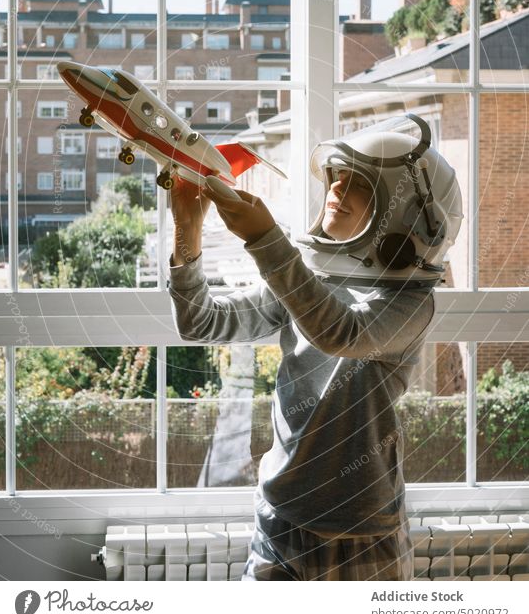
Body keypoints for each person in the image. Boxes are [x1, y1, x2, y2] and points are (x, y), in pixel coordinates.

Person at [168, 113, 463, 581]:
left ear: (404, 210)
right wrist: (188, 231)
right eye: (336, 176)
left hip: (364, 530)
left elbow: (341, 333)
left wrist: (266, 239)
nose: (336, 189)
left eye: (358, 183)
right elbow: (200, 321)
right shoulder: (307, 278)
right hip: (280, 518)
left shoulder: (410, 303)